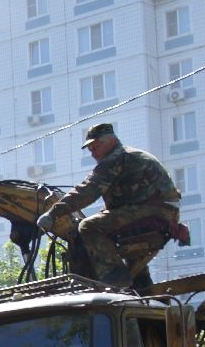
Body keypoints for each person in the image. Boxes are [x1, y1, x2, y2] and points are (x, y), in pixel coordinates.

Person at [36, 123, 183, 288]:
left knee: (88, 226)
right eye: (90, 150)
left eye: (96, 147)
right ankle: (142, 286)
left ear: (111, 141)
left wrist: (53, 213)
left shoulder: (115, 159)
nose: (93, 153)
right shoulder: (129, 155)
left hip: (153, 211)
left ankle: (115, 276)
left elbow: (87, 191)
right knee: (126, 248)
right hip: (161, 210)